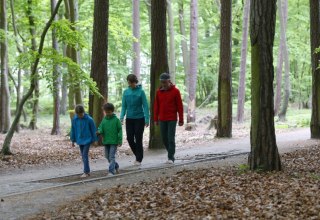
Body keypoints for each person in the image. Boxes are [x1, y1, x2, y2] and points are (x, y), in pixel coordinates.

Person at [154, 73, 184, 164]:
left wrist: (181, 119)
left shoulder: (175, 91)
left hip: (172, 118)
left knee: (171, 138)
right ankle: (171, 152)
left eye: (165, 82)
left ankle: (170, 157)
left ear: (169, 81)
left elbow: (180, 106)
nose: (164, 84)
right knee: (164, 138)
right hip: (162, 118)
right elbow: (156, 106)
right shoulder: (158, 92)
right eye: (162, 82)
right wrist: (155, 119)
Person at [120, 74, 149, 166]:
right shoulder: (126, 92)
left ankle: (138, 159)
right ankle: (138, 154)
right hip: (129, 119)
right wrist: (121, 117)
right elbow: (124, 106)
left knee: (138, 138)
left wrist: (147, 118)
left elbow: (145, 106)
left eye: (132, 83)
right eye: (129, 83)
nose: (130, 84)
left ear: (135, 82)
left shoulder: (141, 92)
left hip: (140, 118)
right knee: (129, 138)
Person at [70, 104, 97, 178]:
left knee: (84, 154)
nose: (80, 116)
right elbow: (73, 130)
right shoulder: (75, 120)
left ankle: (86, 171)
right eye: (78, 114)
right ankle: (86, 171)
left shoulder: (89, 119)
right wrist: (72, 140)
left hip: (87, 140)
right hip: (79, 140)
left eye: (81, 114)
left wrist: (95, 140)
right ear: (76, 113)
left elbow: (93, 130)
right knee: (83, 155)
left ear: (83, 112)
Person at [97, 103, 122, 175]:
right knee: (107, 157)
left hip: (114, 141)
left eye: (109, 112)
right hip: (106, 141)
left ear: (112, 111)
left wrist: (120, 140)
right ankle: (116, 166)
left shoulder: (116, 120)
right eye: (106, 112)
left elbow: (120, 130)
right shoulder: (104, 120)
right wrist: (99, 131)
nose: (107, 113)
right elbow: (100, 127)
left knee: (111, 156)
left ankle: (111, 171)